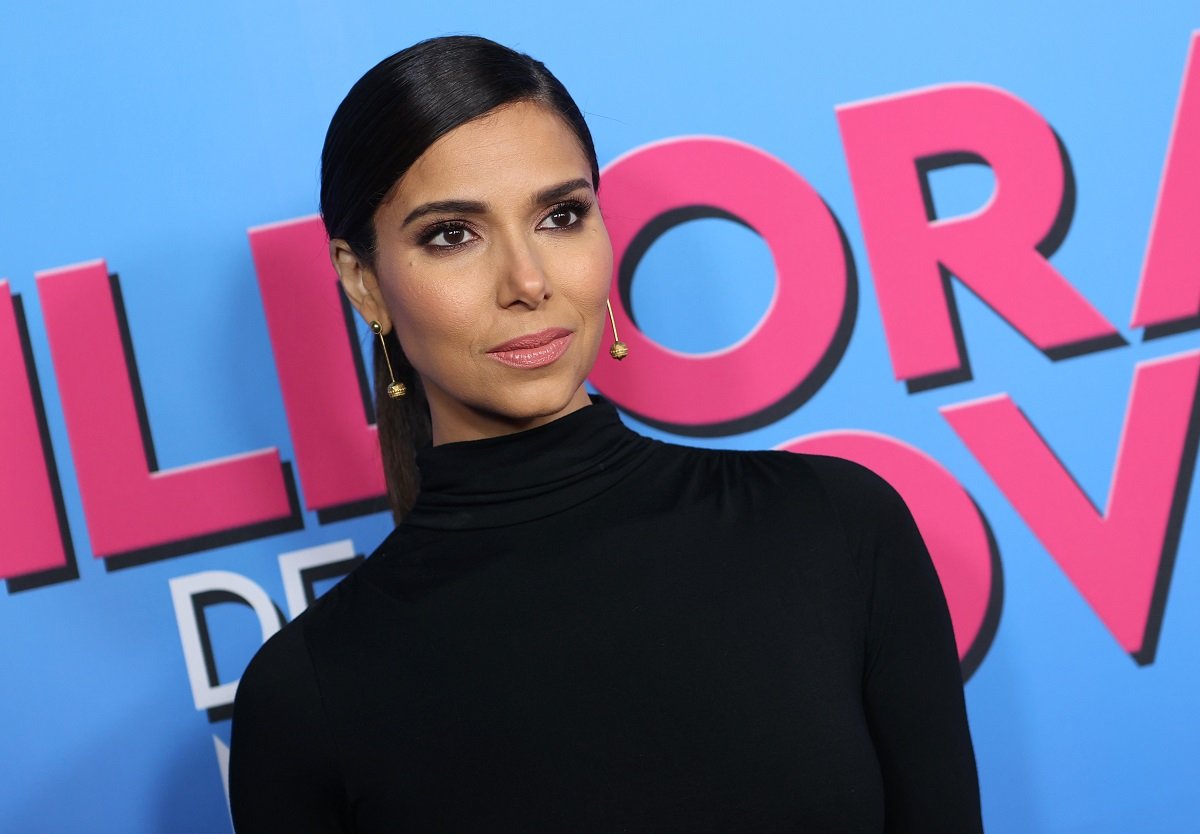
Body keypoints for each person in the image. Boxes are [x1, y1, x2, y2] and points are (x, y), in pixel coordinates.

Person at [229, 35, 983, 833]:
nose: (527, 282)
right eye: (452, 233)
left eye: (561, 216)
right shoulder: (310, 698)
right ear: (364, 284)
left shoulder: (835, 527)